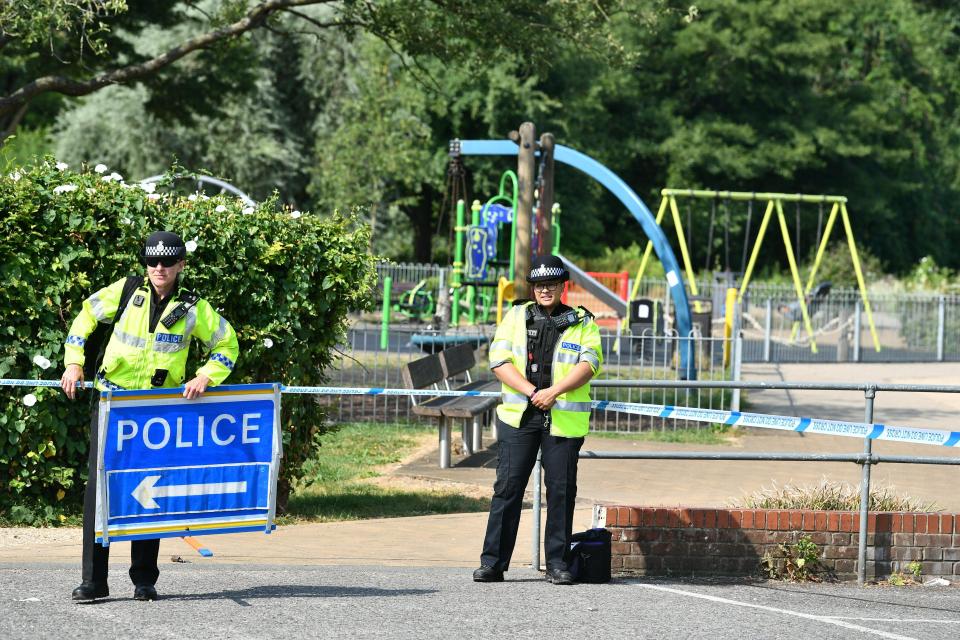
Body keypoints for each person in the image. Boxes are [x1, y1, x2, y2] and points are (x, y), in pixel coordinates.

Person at [60, 231, 239, 602]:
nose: (159, 267)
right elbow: (85, 317)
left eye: (167, 261)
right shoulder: (126, 291)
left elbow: (227, 343)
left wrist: (206, 375)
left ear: (180, 265)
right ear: (145, 264)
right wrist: (74, 363)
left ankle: (144, 579)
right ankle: (94, 581)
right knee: (100, 494)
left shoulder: (193, 307)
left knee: (149, 492)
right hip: (112, 402)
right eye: (152, 261)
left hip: (156, 410)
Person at [474, 254, 602, 585]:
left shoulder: (583, 321)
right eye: (539, 285)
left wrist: (554, 392)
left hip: (562, 420)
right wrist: (534, 392)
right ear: (533, 288)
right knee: (507, 488)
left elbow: (589, 364)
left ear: (563, 287)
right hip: (520, 418)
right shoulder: (515, 317)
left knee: (561, 491)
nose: (545, 290)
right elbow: (499, 361)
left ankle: (558, 564)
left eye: (552, 284)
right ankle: (493, 563)